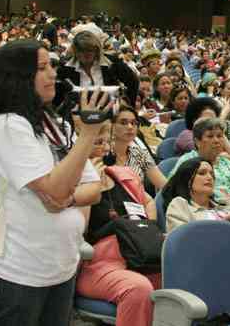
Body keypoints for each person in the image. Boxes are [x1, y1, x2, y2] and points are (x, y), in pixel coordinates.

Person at [0, 40, 106, 325]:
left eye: (52, 65)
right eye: (42, 68)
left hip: (62, 267)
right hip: (19, 271)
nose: (53, 73)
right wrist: (88, 135)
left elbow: (94, 189)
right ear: (17, 78)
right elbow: (56, 187)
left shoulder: (54, 124)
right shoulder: (7, 126)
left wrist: (66, 199)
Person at [76, 126, 160, 326]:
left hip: (142, 253)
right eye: (98, 143)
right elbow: (79, 230)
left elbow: (149, 201)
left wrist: (147, 226)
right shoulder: (72, 183)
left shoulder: (123, 175)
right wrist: (90, 183)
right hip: (99, 264)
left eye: (107, 142)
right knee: (138, 289)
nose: (105, 149)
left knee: (180, 276)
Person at [54, 27, 138, 112]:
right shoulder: (65, 69)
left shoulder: (111, 63)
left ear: (96, 49)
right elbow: (57, 97)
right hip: (77, 117)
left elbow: (133, 81)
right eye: (82, 50)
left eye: (90, 50)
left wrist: (128, 106)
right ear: (75, 51)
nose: (86, 54)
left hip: (109, 114)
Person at [170, 117, 230, 210]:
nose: (216, 141)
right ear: (197, 142)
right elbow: (174, 192)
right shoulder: (187, 162)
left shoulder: (226, 163)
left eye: (220, 136)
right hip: (204, 212)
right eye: (210, 136)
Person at [164, 157, 230, 231]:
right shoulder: (180, 205)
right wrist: (219, 227)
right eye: (202, 173)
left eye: (211, 174)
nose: (209, 177)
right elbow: (184, 240)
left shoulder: (223, 203)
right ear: (187, 180)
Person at [110, 106, 167, 191]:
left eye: (133, 123)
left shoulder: (138, 152)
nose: (130, 127)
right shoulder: (104, 153)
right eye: (123, 123)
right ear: (111, 126)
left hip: (140, 202)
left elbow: (163, 184)